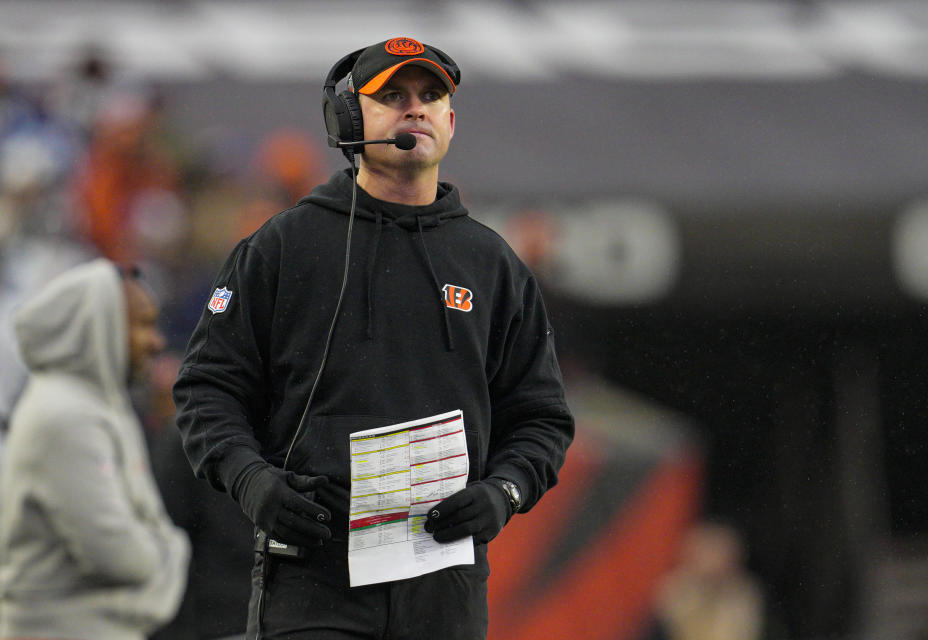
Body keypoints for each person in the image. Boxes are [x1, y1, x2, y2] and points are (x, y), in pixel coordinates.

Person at [173, 36, 574, 639]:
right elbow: (207, 390)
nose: (416, 108)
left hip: (446, 586)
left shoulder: (492, 265)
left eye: (431, 95)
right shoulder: (282, 248)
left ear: (450, 120)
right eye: (393, 95)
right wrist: (251, 480)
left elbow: (541, 418)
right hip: (314, 581)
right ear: (350, 120)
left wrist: (504, 492)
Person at [0, 259, 190, 639]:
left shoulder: (97, 404)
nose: (156, 342)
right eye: (141, 324)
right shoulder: (65, 415)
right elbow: (121, 558)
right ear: (98, 325)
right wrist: (170, 560)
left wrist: (166, 552)